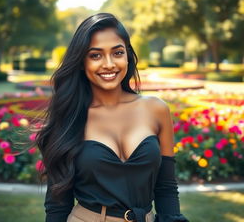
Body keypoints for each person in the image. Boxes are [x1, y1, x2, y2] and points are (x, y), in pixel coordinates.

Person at [35, 13, 189, 222]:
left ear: (128, 55)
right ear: (81, 62)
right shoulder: (69, 117)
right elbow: (57, 205)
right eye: (95, 55)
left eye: (117, 52)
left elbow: (166, 188)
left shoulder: (156, 109)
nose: (109, 64)